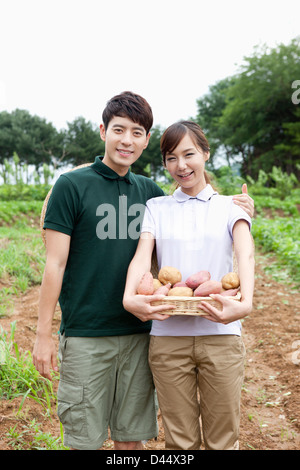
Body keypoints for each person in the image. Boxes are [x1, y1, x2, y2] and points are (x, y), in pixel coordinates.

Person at [32, 92, 254, 451]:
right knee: (84, 440)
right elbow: (54, 263)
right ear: (103, 130)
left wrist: (239, 207)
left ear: (146, 140)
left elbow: (195, 209)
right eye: (118, 130)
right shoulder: (71, 186)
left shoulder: (149, 193)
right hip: (88, 333)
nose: (126, 140)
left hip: (141, 333)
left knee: (132, 440)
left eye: (137, 132)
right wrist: (43, 334)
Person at [123, 120, 255, 450]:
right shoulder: (157, 207)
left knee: (224, 439)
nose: (181, 165)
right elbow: (142, 256)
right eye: (170, 158)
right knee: (180, 442)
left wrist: (247, 301)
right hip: (168, 340)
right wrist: (129, 297)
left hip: (221, 335)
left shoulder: (231, 205)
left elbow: (245, 251)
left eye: (189, 154)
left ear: (206, 154)